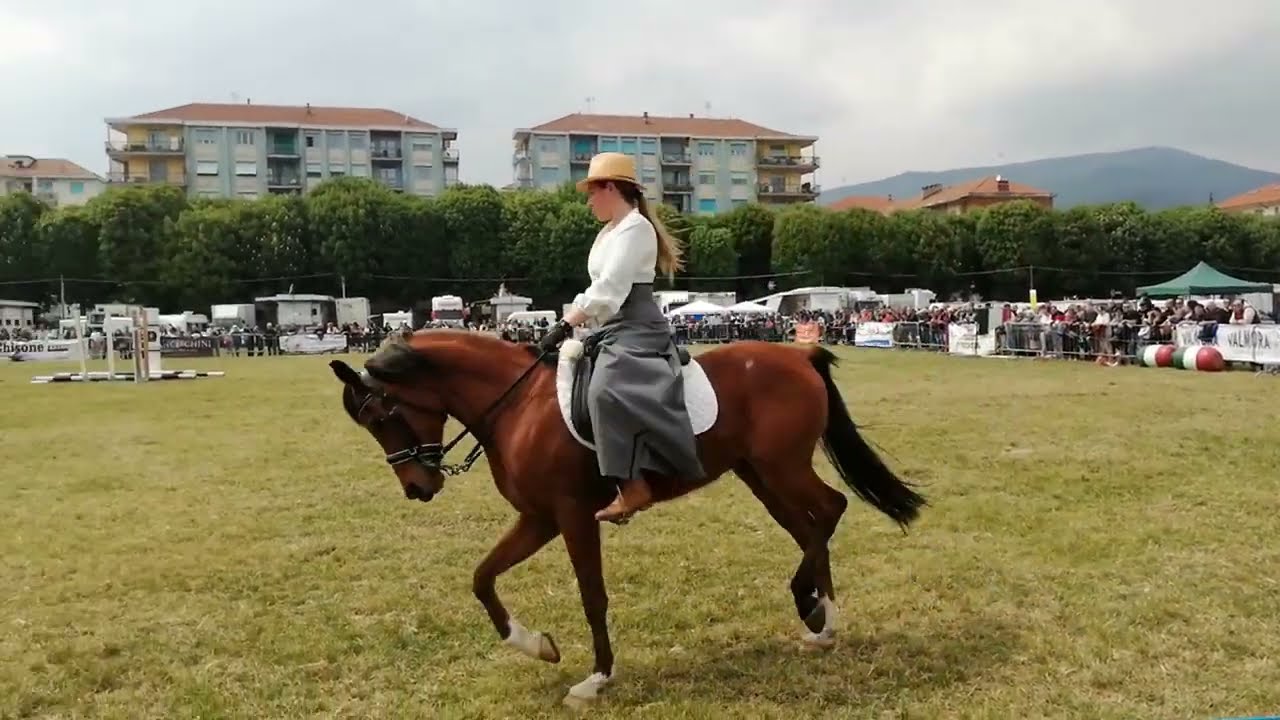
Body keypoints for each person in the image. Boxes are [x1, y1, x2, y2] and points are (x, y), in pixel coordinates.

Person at [537, 152, 705, 523]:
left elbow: (610, 289)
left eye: (592, 192)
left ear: (610, 188)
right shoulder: (609, 231)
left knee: (603, 390)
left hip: (637, 326)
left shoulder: (636, 229)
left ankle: (633, 485)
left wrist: (567, 323)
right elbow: (597, 288)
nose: (589, 201)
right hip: (609, 326)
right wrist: (571, 319)